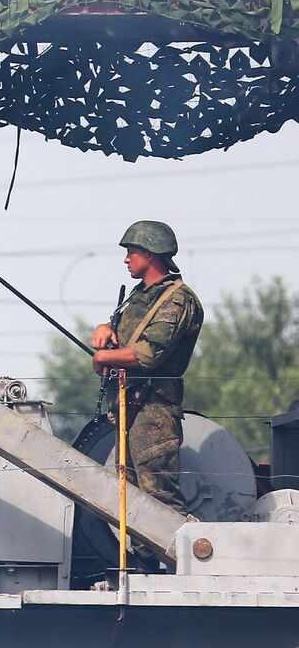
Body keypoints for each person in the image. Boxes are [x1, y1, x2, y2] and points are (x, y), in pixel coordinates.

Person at [90, 221, 203, 528]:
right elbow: (129, 337)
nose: (127, 259)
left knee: (159, 498)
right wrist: (106, 330)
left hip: (153, 411)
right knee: (131, 499)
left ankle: (186, 563)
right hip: (130, 407)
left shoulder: (178, 299)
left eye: (132, 252)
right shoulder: (140, 297)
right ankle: (143, 567)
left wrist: (105, 356)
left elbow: (149, 353)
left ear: (151, 255)